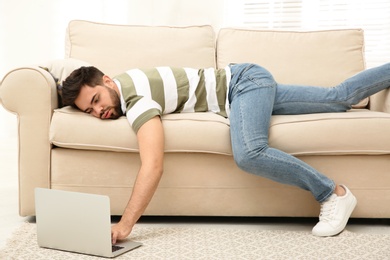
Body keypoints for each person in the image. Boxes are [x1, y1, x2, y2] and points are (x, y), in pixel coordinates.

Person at [61, 62, 390, 244]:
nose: (99, 111)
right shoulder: (121, 83)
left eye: (96, 100)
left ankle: (333, 193)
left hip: (243, 86)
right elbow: (56, 69)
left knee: (250, 153)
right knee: (339, 98)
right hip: (248, 79)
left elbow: (153, 164)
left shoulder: (135, 99)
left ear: (106, 80)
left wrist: (125, 224)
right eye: (89, 111)